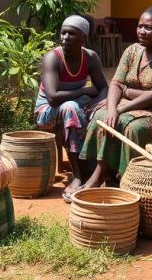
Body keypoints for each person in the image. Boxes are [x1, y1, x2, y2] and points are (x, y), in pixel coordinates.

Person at [80, 6, 152, 189]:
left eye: (149, 27)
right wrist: (113, 108)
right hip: (129, 105)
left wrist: (123, 102)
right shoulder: (132, 50)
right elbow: (116, 83)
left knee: (132, 127)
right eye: (140, 26)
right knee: (101, 117)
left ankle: (130, 179)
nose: (142, 31)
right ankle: (103, 173)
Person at [35, 15, 108, 201]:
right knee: (70, 108)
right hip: (46, 113)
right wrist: (84, 90)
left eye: (71, 33)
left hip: (76, 105)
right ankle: (77, 175)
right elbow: (52, 98)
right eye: (63, 32)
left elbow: (103, 88)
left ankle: (97, 168)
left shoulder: (90, 58)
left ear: (83, 38)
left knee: (102, 113)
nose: (65, 37)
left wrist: (97, 104)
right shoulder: (53, 58)